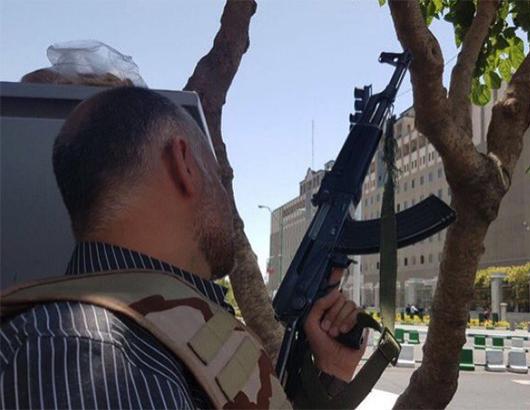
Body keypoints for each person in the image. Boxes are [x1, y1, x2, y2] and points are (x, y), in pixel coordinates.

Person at [0, 87, 364, 409]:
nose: (226, 200)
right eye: (219, 179)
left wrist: (331, 370)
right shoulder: (90, 351)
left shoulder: (158, 335)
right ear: (184, 163)